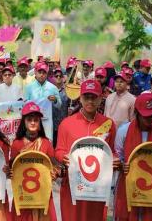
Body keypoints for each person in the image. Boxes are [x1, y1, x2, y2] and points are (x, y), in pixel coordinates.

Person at [56, 80, 117, 221]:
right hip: (72, 183)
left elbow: (111, 151)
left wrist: (114, 160)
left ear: (101, 98)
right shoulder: (66, 123)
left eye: (94, 97)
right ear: (80, 98)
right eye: (86, 97)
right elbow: (59, 150)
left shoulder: (108, 124)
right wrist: (63, 157)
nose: (90, 101)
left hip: (98, 187)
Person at [114, 93, 152, 221]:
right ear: (137, 112)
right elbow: (118, 154)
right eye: (146, 116)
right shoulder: (123, 131)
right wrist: (122, 164)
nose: (150, 119)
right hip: (128, 183)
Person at [10, 101, 58, 221]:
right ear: (24, 121)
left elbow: (55, 166)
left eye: (36, 120)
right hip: (23, 195)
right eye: (29, 119)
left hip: (43, 194)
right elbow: (12, 168)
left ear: (40, 123)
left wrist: (55, 174)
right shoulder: (16, 144)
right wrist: (9, 172)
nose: (32, 122)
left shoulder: (47, 143)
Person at [52, 68, 69, 148]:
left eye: (60, 76)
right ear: (53, 77)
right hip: (52, 124)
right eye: (56, 76)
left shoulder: (68, 90)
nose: (58, 77)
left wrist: (72, 109)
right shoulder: (49, 90)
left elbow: (75, 104)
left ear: (63, 77)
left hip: (63, 123)